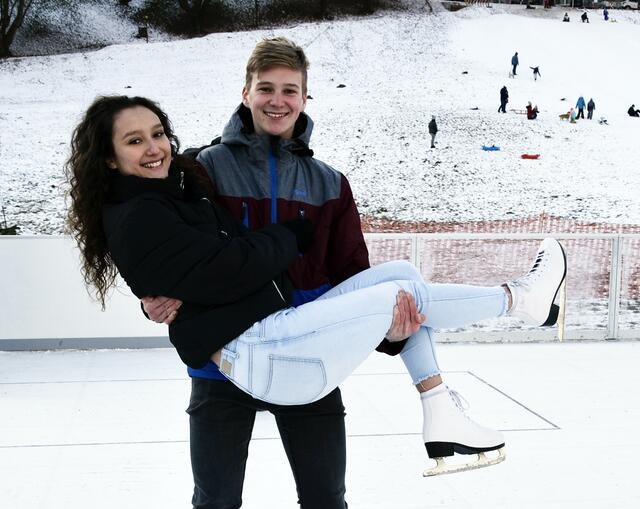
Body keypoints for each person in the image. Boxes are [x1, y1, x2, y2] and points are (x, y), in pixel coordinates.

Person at [66, 95, 568, 490]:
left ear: (306, 99)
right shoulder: (180, 188)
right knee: (217, 499)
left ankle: (439, 406)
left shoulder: (191, 181)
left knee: (400, 277)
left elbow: (329, 268)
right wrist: (290, 237)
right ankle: (520, 301)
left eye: (157, 134)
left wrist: (389, 334)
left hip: (289, 333)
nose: (153, 147)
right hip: (252, 350)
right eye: (134, 141)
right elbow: (225, 267)